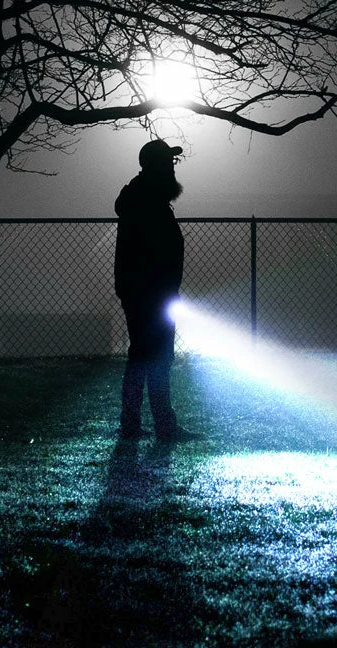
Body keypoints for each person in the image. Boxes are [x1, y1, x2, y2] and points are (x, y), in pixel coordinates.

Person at [114, 138, 191, 441]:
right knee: (155, 357)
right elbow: (153, 252)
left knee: (144, 356)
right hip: (149, 292)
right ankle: (162, 426)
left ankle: (136, 424)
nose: (173, 168)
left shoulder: (144, 198)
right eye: (168, 162)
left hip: (146, 291)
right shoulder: (148, 202)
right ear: (155, 166)